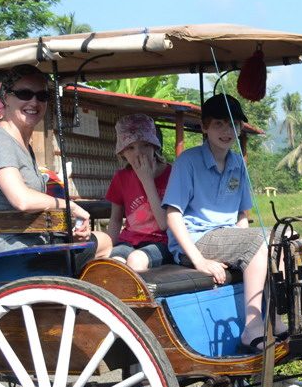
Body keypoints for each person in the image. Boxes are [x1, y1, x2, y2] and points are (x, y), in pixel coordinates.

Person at [163, 93, 284, 359]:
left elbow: (242, 216)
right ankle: (252, 328)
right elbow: (173, 215)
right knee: (258, 241)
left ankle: (277, 316)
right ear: (205, 127)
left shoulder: (238, 163)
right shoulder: (189, 161)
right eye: (219, 124)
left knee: (282, 236)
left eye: (233, 124)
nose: (227, 131)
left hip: (226, 238)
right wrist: (199, 261)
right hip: (195, 240)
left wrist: (243, 249)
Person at [0, 64, 112, 261]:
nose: (34, 102)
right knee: (104, 243)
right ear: (6, 97)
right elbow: (22, 200)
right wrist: (70, 206)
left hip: (34, 243)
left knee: (101, 241)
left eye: (42, 96)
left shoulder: (22, 145)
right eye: (25, 94)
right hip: (10, 255)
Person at [106, 114, 172, 272]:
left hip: (163, 241)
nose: (138, 153)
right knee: (114, 264)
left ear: (155, 147)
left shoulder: (172, 174)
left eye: (145, 145)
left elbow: (164, 224)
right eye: (130, 147)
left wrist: (147, 180)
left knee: (136, 261)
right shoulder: (121, 177)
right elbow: (115, 220)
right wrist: (108, 247)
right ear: (122, 152)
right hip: (129, 239)